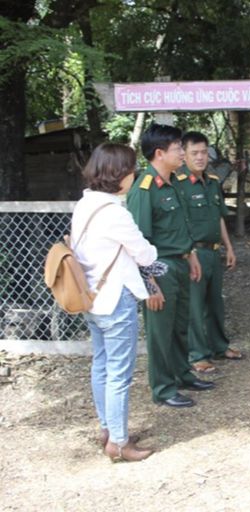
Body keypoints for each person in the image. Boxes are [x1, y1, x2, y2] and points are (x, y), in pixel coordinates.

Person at [72, 143, 157, 462]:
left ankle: (108, 428)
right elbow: (144, 253)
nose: (135, 175)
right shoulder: (114, 213)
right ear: (120, 175)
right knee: (120, 373)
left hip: (91, 297)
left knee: (102, 365)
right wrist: (153, 256)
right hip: (115, 300)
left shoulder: (85, 205)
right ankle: (119, 443)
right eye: (132, 169)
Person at [126, 123, 215, 409]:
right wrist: (150, 285)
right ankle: (163, 389)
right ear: (160, 153)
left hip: (181, 264)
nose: (182, 152)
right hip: (159, 269)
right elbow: (139, 241)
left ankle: (182, 374)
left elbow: (178, 226)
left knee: (179, 326)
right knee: (160, 332)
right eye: (178, 148)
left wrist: (191, 256)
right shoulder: (144, 188)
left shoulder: (174, 182)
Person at [178, 131, 242, 373]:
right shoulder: (178, 183)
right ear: (183, 155)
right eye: (194, 153)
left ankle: (219, 346)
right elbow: (178, 222)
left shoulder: (213, 181)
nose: (200, 157)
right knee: (195, 306)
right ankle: (198, 354)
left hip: (214, 252)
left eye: (204, 152)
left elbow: (219, 218)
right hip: (193, 253)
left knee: (216, 303)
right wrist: (187, 252)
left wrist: (229, 247)